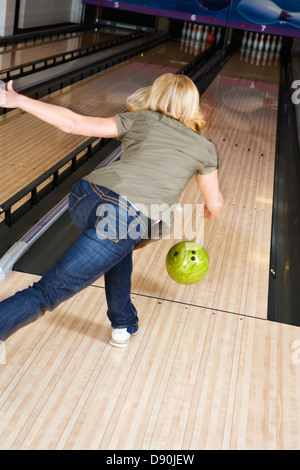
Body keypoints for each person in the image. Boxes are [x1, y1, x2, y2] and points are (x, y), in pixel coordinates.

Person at [0, 74, 223, 348]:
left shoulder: (142, 119)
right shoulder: (205, 148)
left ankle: (123, 322)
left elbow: (73, 123)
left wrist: (19, 100)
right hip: (121, 220)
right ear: (193, 105)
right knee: (48, 292)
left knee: (120, 248)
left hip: (86, 198)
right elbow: (215, 205)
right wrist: (205, 213)